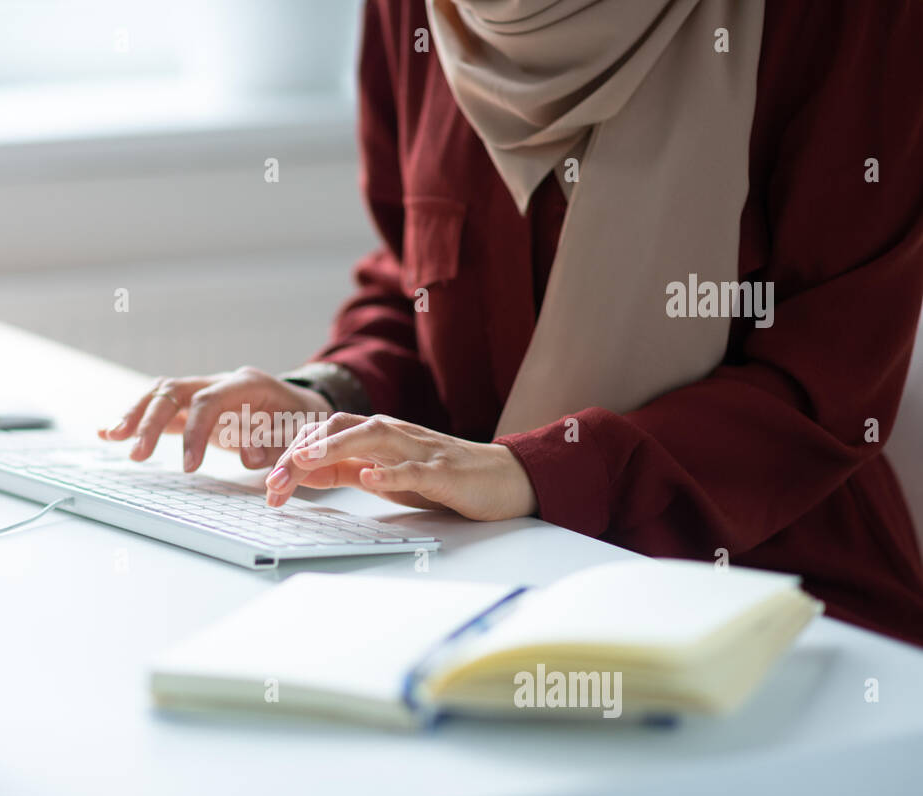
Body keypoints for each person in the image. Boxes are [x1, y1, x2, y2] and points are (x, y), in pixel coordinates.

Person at [100, 0, 923, 644]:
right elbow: (415, 286)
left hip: (780, 609)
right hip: (483, 588)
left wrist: (533, 473)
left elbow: (826, 383)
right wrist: (323, 395)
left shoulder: (847, 17)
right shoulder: (418, 14)